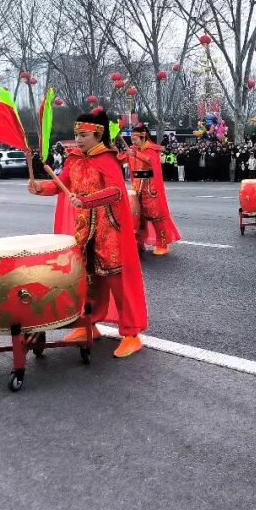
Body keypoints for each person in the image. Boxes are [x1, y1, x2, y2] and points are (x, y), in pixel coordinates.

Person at [28, 108, 148, 358]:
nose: (78, 140)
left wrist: (87, 200)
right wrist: (39, 187)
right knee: (88, 279)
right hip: (84, 229)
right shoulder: (74, 160)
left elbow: (116, 192)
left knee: (116, 281)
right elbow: (60, 184)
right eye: (77, 135)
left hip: (109, 228)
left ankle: (131, 334)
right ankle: (89, 324)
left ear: (98, 135)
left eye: (83, 135)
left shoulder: (107, 159)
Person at [120, 124, 181, 255]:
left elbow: (150, 161)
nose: (133, 142)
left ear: (143, 137)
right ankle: (139, 243)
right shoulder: (133, 150)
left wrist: (136, 154)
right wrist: (112, 151)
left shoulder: (151, 149)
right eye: (132, 139)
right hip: (137, 188)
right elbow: (121, 159)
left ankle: (162, 244)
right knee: (137, 218)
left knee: (156, 217)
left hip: (150, 188)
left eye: (135, 139)